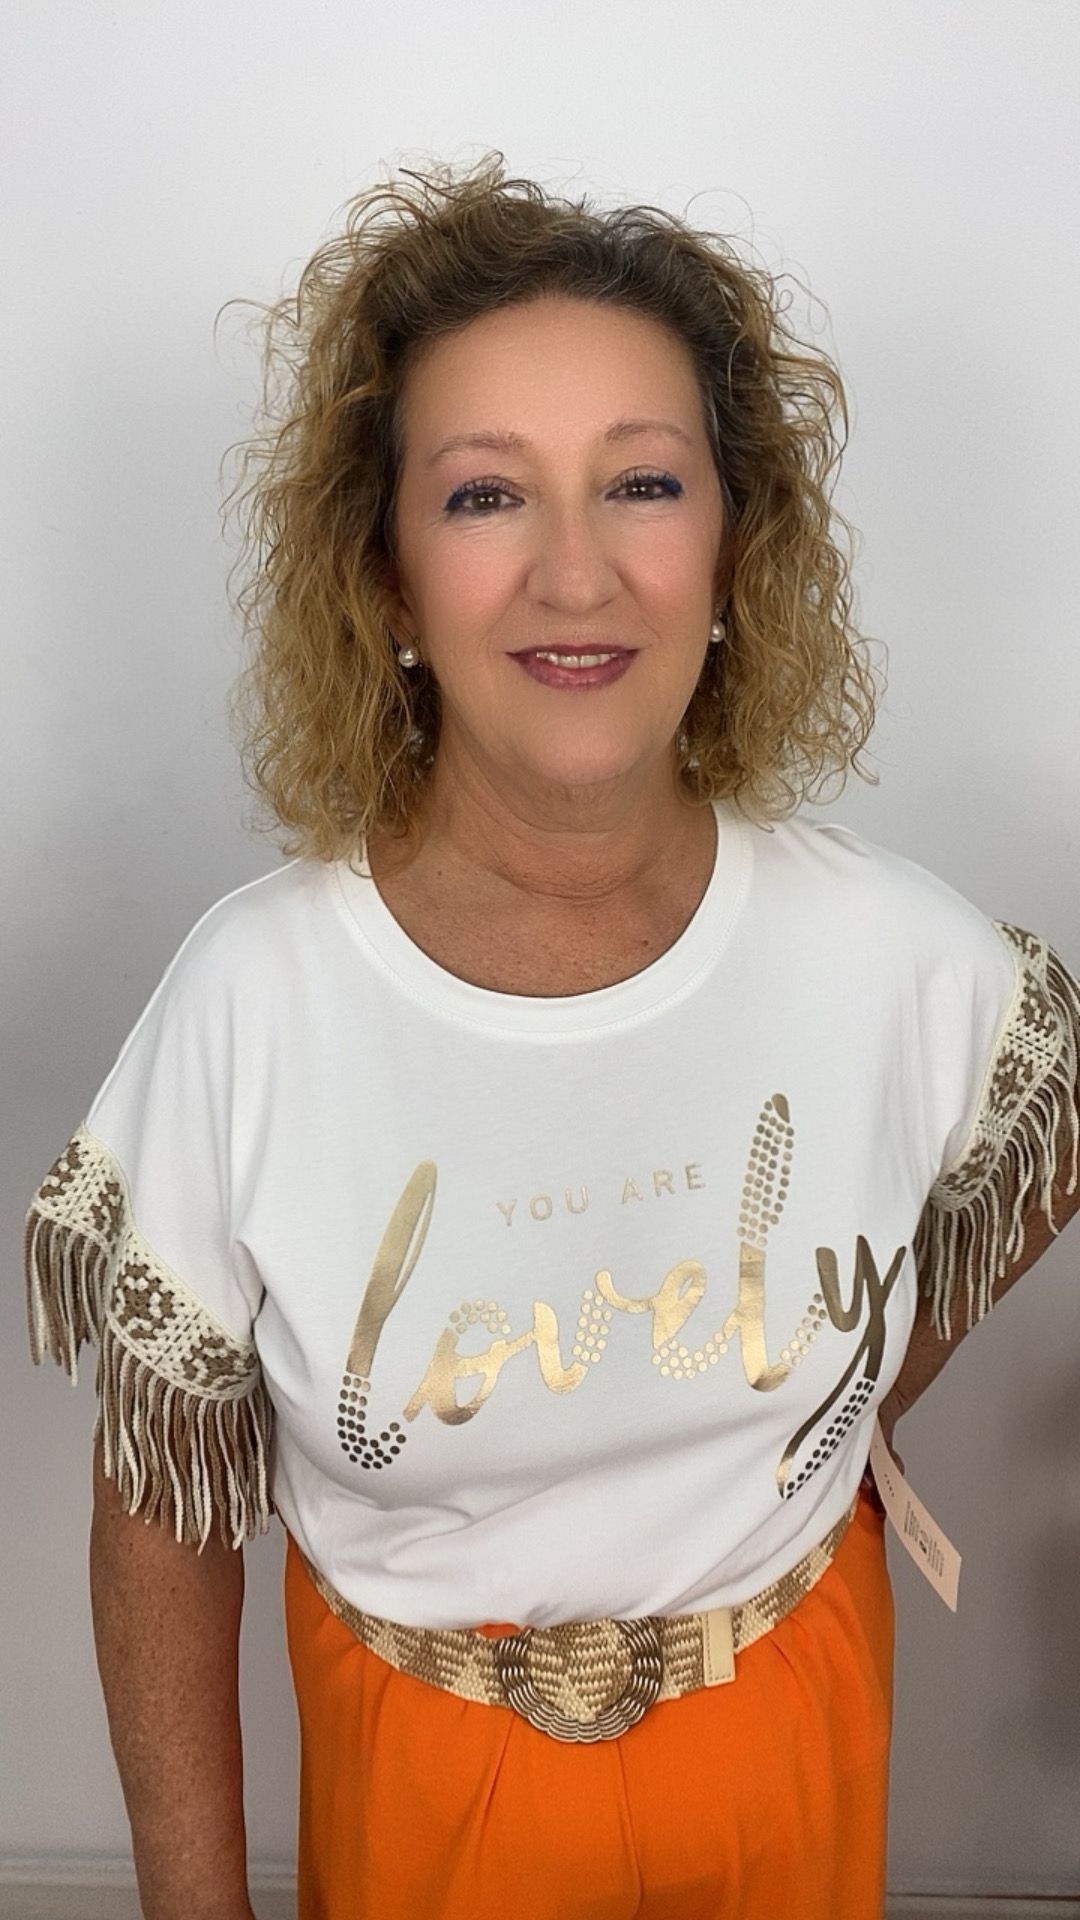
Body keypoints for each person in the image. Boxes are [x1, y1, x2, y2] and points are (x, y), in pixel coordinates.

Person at [24, 152, 1080, 1920]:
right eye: (486, 494)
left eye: (643, 483)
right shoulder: (254, 1002)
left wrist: (829, 1409)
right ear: (387, 581)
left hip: (798, 1735)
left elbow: (1034, 1133)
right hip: (429, 1794)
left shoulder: (891, 952)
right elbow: (160, 1524)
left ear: (734, 549)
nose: (574, 572)